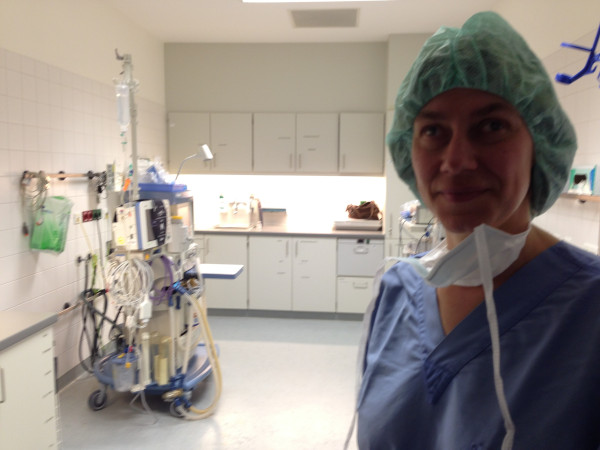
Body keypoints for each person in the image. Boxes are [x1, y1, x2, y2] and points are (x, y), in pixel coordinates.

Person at [355, 11, 600, 450]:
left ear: (539, 141)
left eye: (491, 126)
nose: (457, 161)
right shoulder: (394, 292)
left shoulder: (588, 310)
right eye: (433, 130)